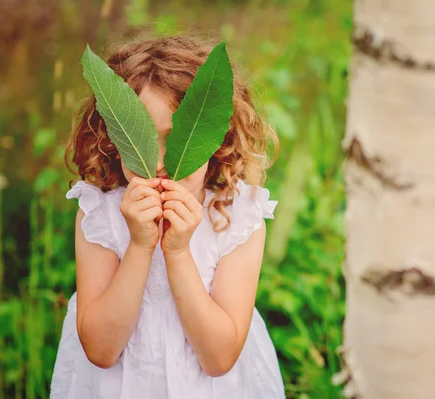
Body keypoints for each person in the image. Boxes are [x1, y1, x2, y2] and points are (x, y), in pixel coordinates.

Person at [50, 35, 285, 399]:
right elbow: (100, 350)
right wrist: (140, 247)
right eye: (141, 139)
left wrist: (176, 253)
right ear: (116, 138)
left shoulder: (236, 217)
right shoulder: (99, 214)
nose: (159, 162)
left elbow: (219, 358)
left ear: (213, 139)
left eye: (176, 139)